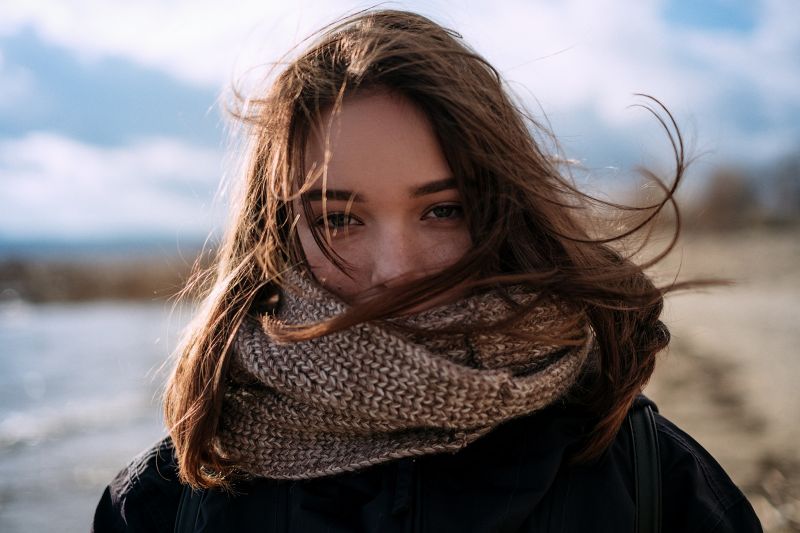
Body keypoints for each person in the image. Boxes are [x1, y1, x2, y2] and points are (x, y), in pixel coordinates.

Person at [92, 9, 762, 532]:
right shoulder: (166, 502)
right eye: (340, 218)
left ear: (504, 209)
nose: (397, 268)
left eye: (442, 209)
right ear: (280, 230)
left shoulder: (652, 476)